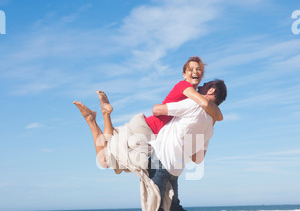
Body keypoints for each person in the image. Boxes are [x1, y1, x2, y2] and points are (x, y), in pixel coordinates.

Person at [73, 57, 223, 170]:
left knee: (108, 148)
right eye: (191, 69)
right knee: (106, 160)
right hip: (149, 129)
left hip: (149, 129)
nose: (195, 72)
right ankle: (92, 120)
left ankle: (103, 115)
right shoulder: (185, 87)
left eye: (199, 70)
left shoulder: (194, 98)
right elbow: (206, 105)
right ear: (184, 74)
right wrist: (217, 115)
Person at [146, 79, 227, 211]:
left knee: (155, 208)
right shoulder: (210, 123)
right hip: (176, 168)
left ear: (211, 90)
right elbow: (198, 158)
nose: (200, 86)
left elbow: (157, 110)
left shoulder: (194, 104)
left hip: (161, 159)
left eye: (204, 85)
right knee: (174, 208)